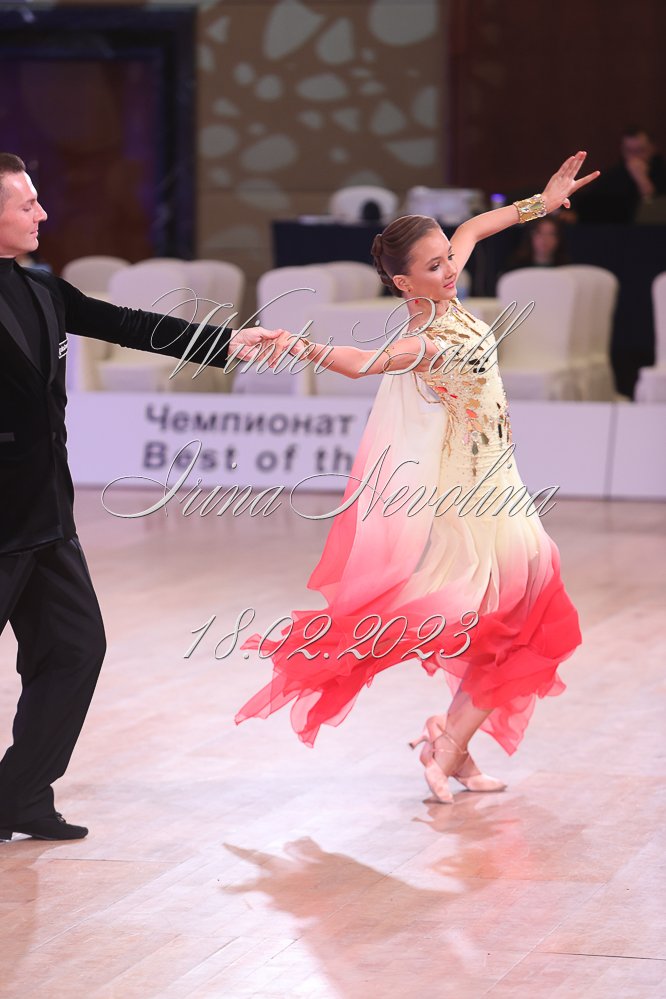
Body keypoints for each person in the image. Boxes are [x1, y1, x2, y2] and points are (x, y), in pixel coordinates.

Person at [234, 152, 599, 803]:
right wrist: (296, 344)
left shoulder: (448, 285)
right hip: (476, 499)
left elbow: (478, 227)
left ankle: (449, 744)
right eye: (434, 266)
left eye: (447, 257)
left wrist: (541, 204)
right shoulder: (423, 337)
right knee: (525, 623)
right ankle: (447, 747)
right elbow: (359, 363)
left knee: (510, 624)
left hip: (501, 484)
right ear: (405, 284)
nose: (450, 269)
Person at [0, 152, 283, 841]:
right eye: (26, 203)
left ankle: (19, 796)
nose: (42, 213)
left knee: (75, 650)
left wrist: (227, 342)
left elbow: (125, 323)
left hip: (47, 517)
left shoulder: (42, 288)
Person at [573, 125, 666, 223]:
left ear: (652, 148)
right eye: (629, 151)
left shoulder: (662, 173)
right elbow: (588, 203)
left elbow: (657, 209)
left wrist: (642, 180)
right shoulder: (613, 176)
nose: (634, 157)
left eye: (640, 151)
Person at [500, 213, 572, 275]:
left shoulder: (568, 270)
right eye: (539, 233)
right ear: (531, 236)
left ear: (558, 238)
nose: (545, 239)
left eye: (551, 234)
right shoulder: (515, 270)